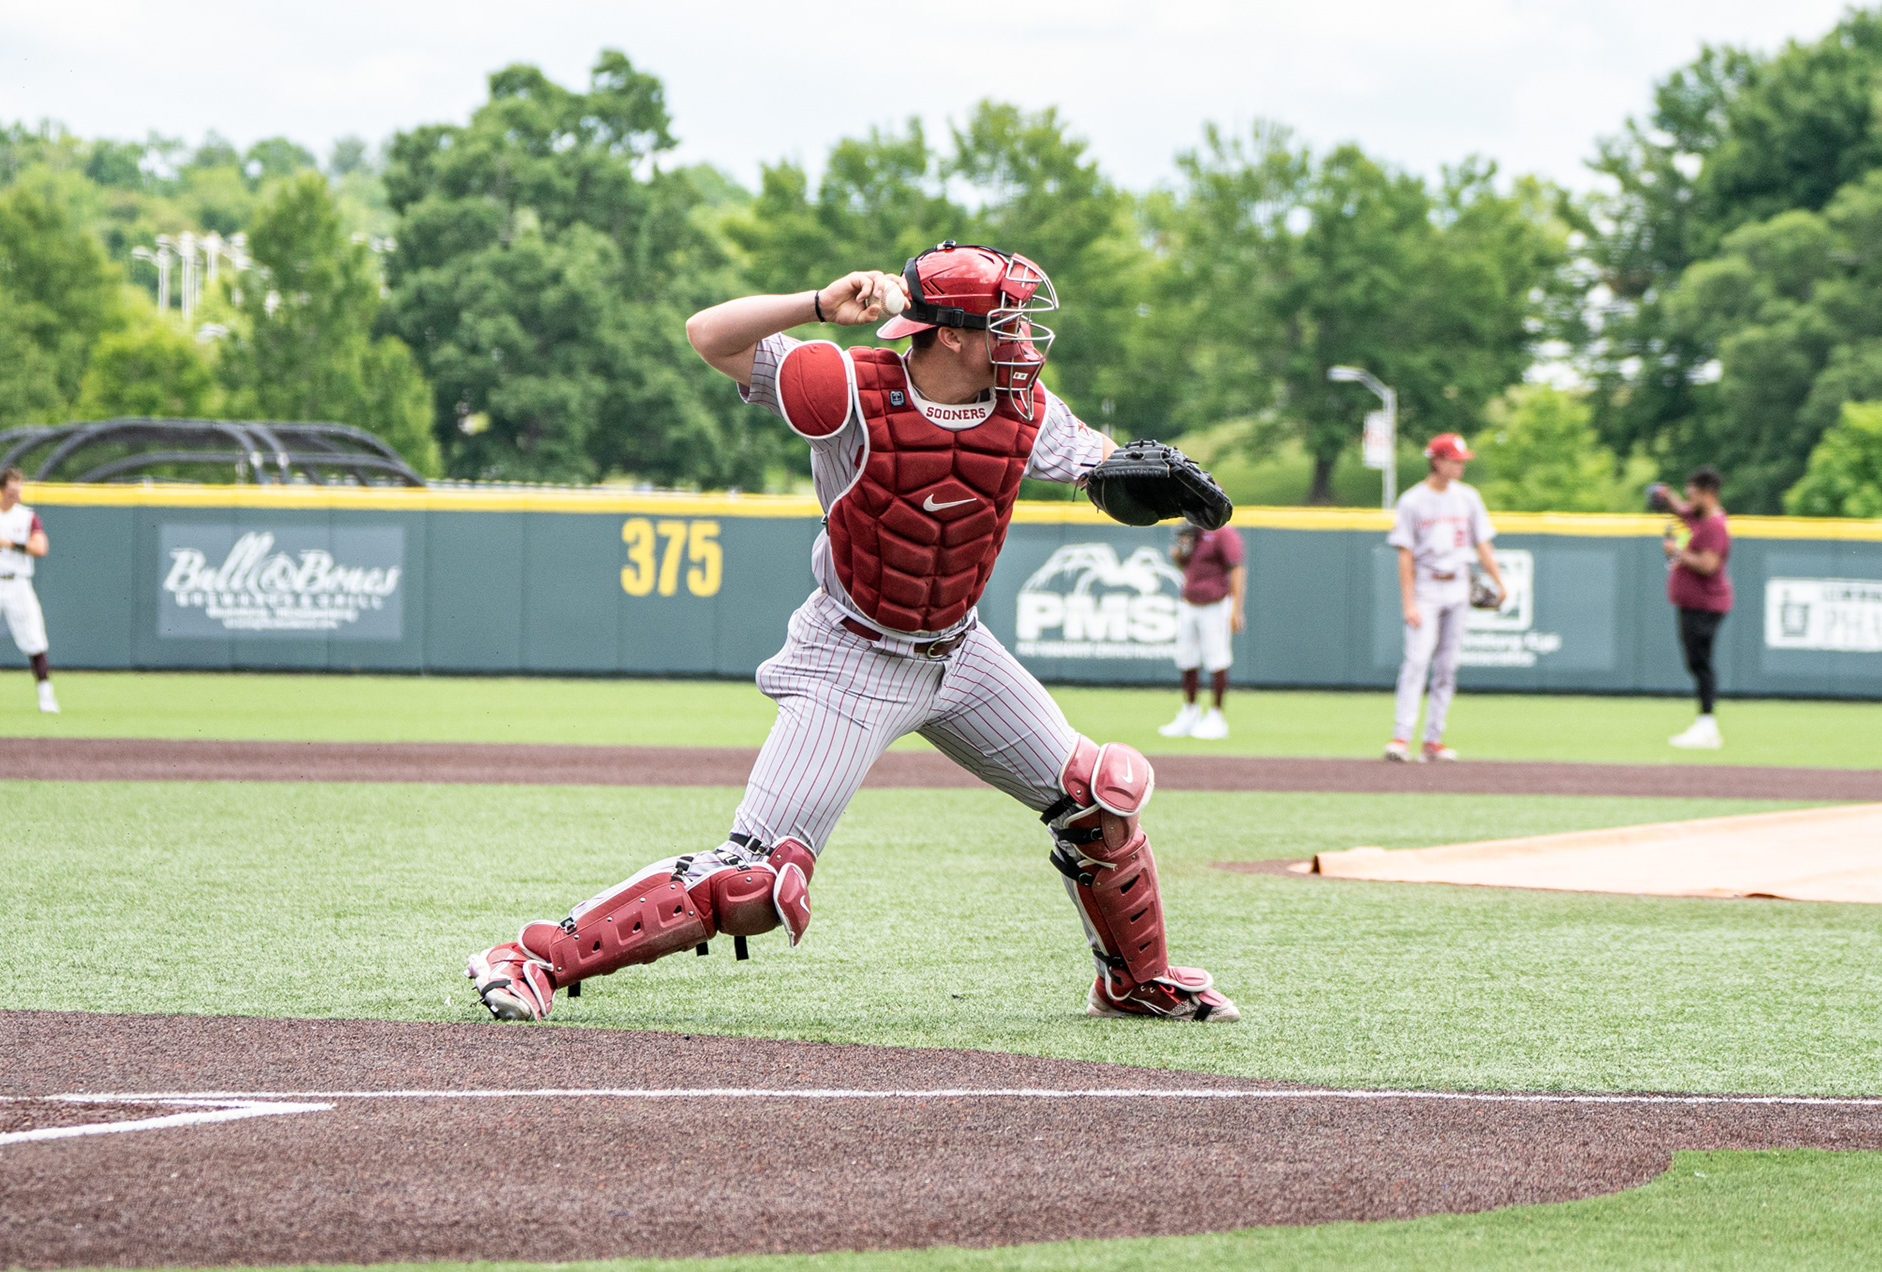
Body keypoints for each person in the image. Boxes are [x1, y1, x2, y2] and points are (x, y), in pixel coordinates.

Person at [466, 241, 1239, 1024]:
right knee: (756, 883)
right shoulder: (846, 385)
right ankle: (532, 957)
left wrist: (1153, 480)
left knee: (1097, 799)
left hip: (961, 652)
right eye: (1006, 323)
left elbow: (1104, 467)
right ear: (949, 334)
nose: (1026, 343)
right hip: (852, 654)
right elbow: (709, 334)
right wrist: (814, 304)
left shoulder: (1027, 409)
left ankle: (1136, 980)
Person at [1383, 433, 1506, 762]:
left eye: (1462, 460)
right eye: (1454, 460)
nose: (1460, 466)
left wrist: (1499, 580)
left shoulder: (1468, 497)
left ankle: (1433, 740)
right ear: (1436, 461)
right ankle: (1401, 737)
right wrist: (1408, 602)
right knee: (1417, 661)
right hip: (1426, 585)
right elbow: (1405, 555)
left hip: (1459, 585)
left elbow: (1483, 544)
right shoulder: (1413, 501)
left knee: (1447, 667)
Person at [0, 468, 57, 713]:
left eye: (19, 489)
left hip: (18, 583)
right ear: (1, 490)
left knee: (34, 638)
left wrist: (8, 543)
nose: (17, 494)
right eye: (12, 490)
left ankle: (46, 695)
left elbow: (41, 547)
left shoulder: (26, 516)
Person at [1656, 467, 1732, 749]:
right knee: (1696, 663)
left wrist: (1676, 551)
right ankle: (1705, 724)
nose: (1689, 500)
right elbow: (1680, 509)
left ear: (1708, 494)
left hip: (1706, 604)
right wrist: (1666, 496)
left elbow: (1709, 565)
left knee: (1701, 663)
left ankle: (1707, 726)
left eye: (1694, 494)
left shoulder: (1714, 525)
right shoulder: (1700, 518)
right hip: (1694, 604)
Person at [1160, 521, 1246, 739]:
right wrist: (1180, 551)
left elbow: (1236, 569)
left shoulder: (1223, 533)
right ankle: (1190, 712)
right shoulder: (1193, 531)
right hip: (1189, 602)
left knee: (1217, 658)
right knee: (1186, 659)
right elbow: (1183, 563)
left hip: (1215, 604)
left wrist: (1236, 610)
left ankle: (1217, 716)